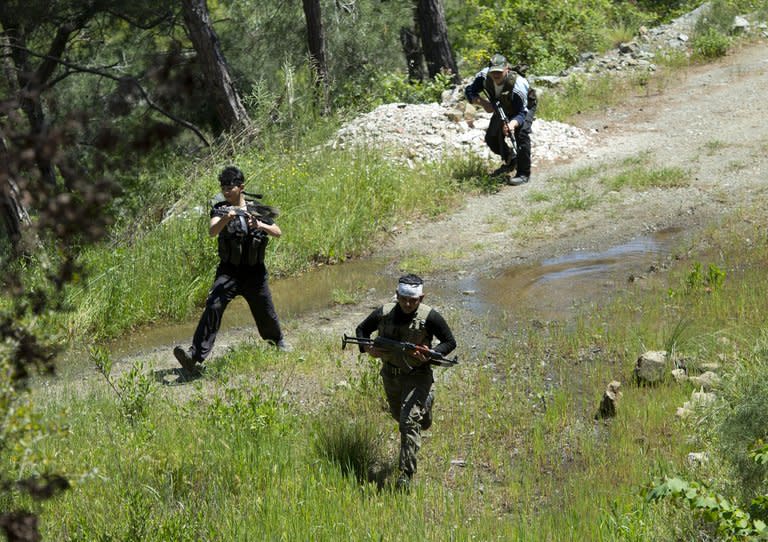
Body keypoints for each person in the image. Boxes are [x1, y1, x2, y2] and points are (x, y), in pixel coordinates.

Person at [174, 166, 289, 375]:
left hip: (255, 272)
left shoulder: (256, 208)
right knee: (213, 305)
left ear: (241, 187)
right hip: (229, 272)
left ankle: (278, 342)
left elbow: (278, 232)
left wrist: (260, 225)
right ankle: (194, 356)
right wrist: (227, 218)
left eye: (230, 188)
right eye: (223, 188)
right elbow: (212, 231)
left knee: (265, 310)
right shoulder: (219, 208)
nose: (226, 192)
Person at [355, 274, 457, 491]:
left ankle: (406, 475)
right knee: (401, 417)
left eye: (414, 300)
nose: (408, 304)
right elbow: (361, 331)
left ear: (421, 298)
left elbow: (449, 342)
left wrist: (431, 354)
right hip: (391, 376)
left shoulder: (430, 317)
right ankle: (425, 408)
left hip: (418, 375)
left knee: (408, 422)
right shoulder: (383, 313)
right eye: (404, 299)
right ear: (398, 295)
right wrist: (368, 348)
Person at [464, 53, 536, 186]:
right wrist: (483, 103)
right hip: (501, 105)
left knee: (521, 135)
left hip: (524, 107)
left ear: (506, 69)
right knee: (491, 138)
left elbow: (522, 112)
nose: (496, 75)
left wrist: (512, 124)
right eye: (493, 72)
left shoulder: (518, 86)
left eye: (499, 72)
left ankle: (523, 174)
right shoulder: (483, 77)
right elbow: (469, 91)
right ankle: (511, 159)